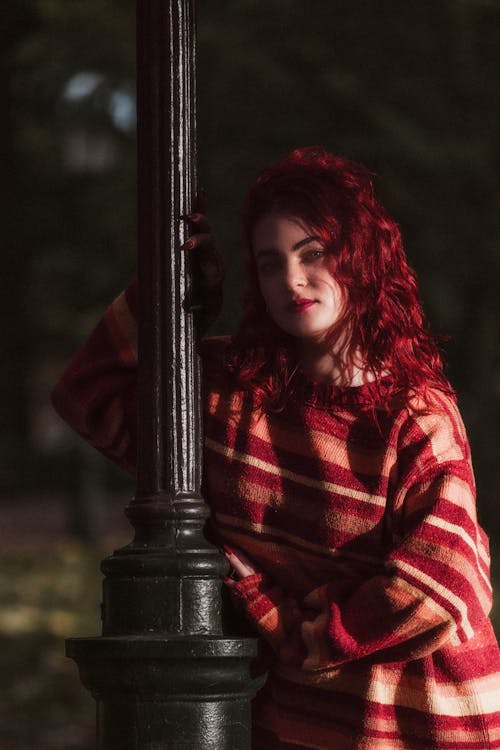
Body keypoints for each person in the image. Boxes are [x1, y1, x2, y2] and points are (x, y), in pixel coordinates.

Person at [52, 146, 500, 749]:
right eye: (269, 263)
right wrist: (176, 286)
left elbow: (441, 585)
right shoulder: (226, 394)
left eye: (313, 254)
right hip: (297, 722)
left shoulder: (414, 413)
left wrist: (283, 620)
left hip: (423, 715)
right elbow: (87, 393)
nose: (291, 280)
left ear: (361, 258)